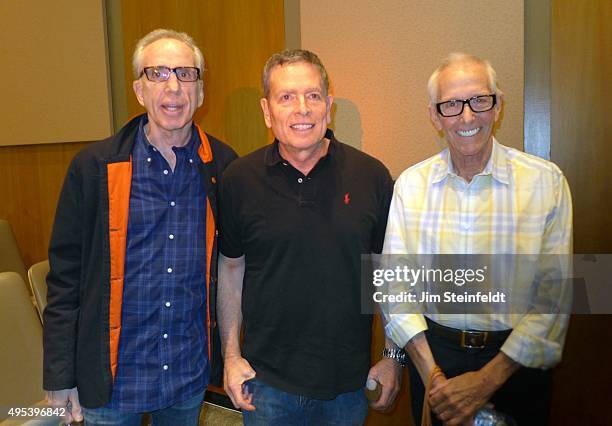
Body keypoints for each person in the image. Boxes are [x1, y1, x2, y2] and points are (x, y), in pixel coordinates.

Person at [43, 29, 237, 425]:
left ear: (200, 91)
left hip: (186, 373)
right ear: (138, 90)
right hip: (112, 380)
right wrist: (60, 376)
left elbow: (236, 267)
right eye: (158, 73)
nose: (173, 87)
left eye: (186, 74)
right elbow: (65, 279)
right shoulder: (94, 168)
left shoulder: (224, 166)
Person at [382, 53, 572, 425]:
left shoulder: (545, 183)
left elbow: (555, 296)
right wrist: (434, 377)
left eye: (479, 100)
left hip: (516, 366)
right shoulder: (411, 185)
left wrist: (486, 381)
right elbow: (395, 288)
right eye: (451, 104)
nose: (467, 117)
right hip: (433, 359)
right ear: (435, 116)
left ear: (498, 105)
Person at [217, 49, 401, 425]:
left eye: (313, 95)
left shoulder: (373, 177)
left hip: (347, 387)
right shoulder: (238, 180)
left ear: (328, 106)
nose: (302, 108)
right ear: (267, 111)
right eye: (286, 97)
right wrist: (231, 356)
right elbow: (231, 270)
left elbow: (387, 274)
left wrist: (392, 356)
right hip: (264, 386)